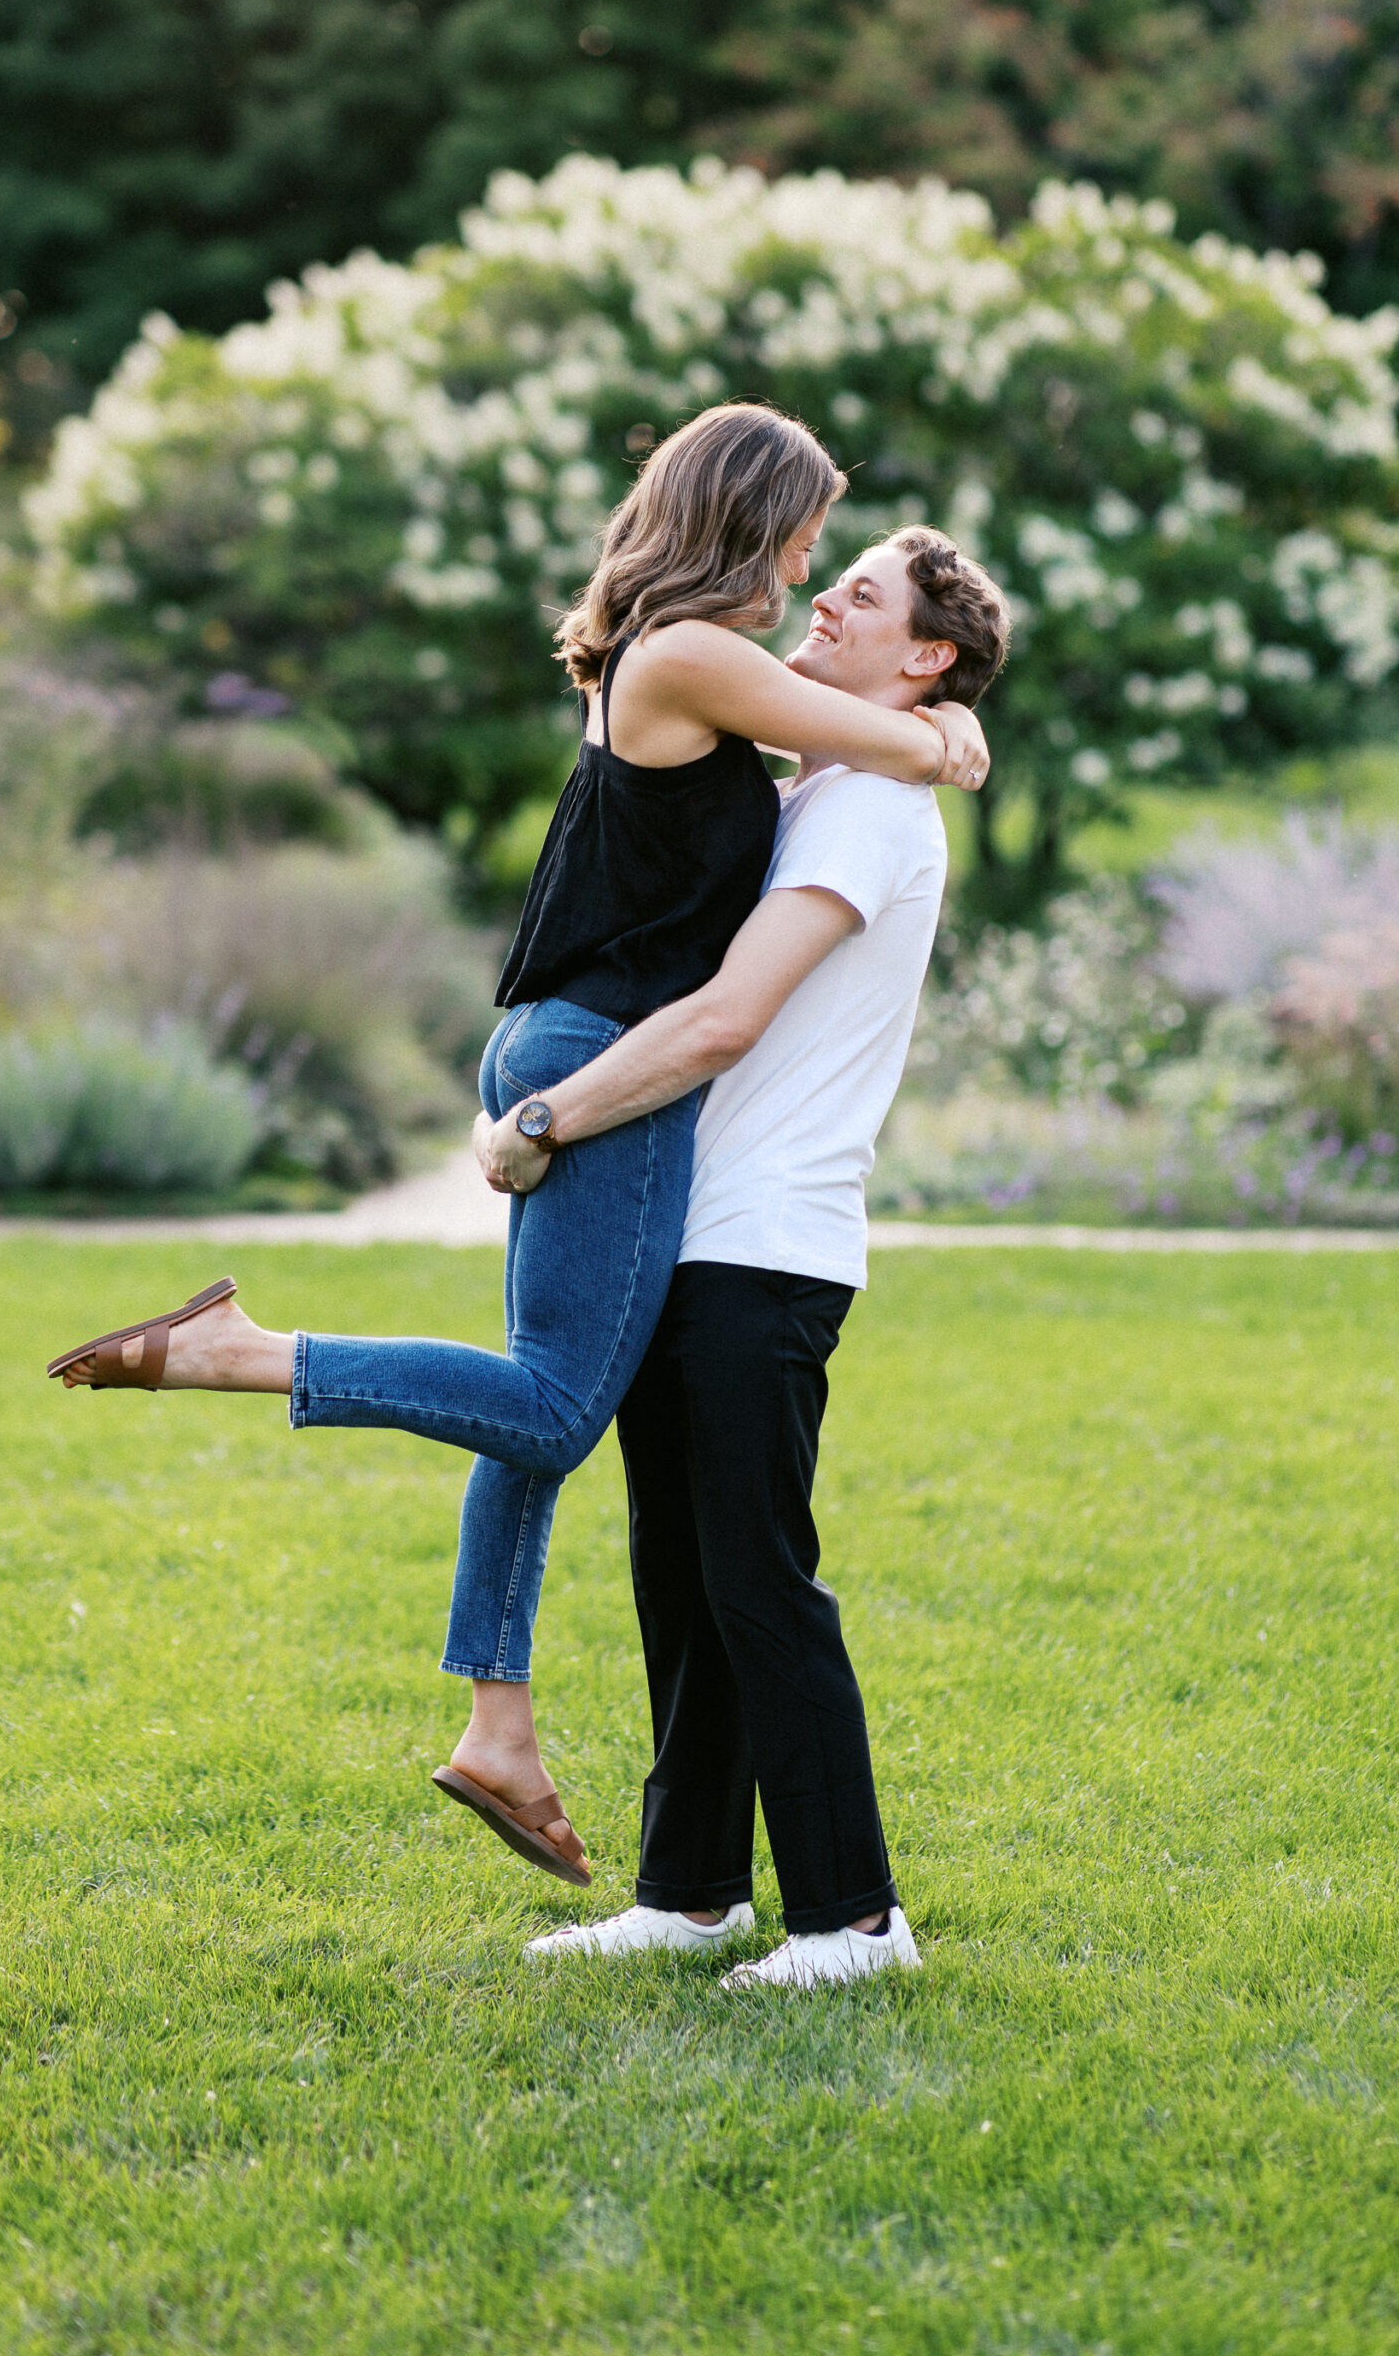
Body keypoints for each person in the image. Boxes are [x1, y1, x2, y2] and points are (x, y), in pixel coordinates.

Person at [47, 406, 991, 1894]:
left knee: (537, 1393)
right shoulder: (691, 657)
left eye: (846, 570)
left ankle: (500, 1725)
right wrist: (947, 725)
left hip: (569, 1040)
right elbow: (907, 750)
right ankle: (242, 1353)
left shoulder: (681, 665)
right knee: (553, 1407)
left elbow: (862, 767)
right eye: (810, 533)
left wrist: (929, 724)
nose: (813, 565)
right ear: (747, 515)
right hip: (594, 1054)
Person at [476, 525, 1008, 1987]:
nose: (826, 597)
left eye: (866, 595)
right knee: (684, 1579)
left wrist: (544, 1118)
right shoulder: (828, 783)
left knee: (758, 1581)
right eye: (829, 579)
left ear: (926, 658)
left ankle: (856, 1921)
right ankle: (690, 1890)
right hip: (699, 1234)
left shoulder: (868, 813)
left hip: (763, 1245)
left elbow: (725, 1020)